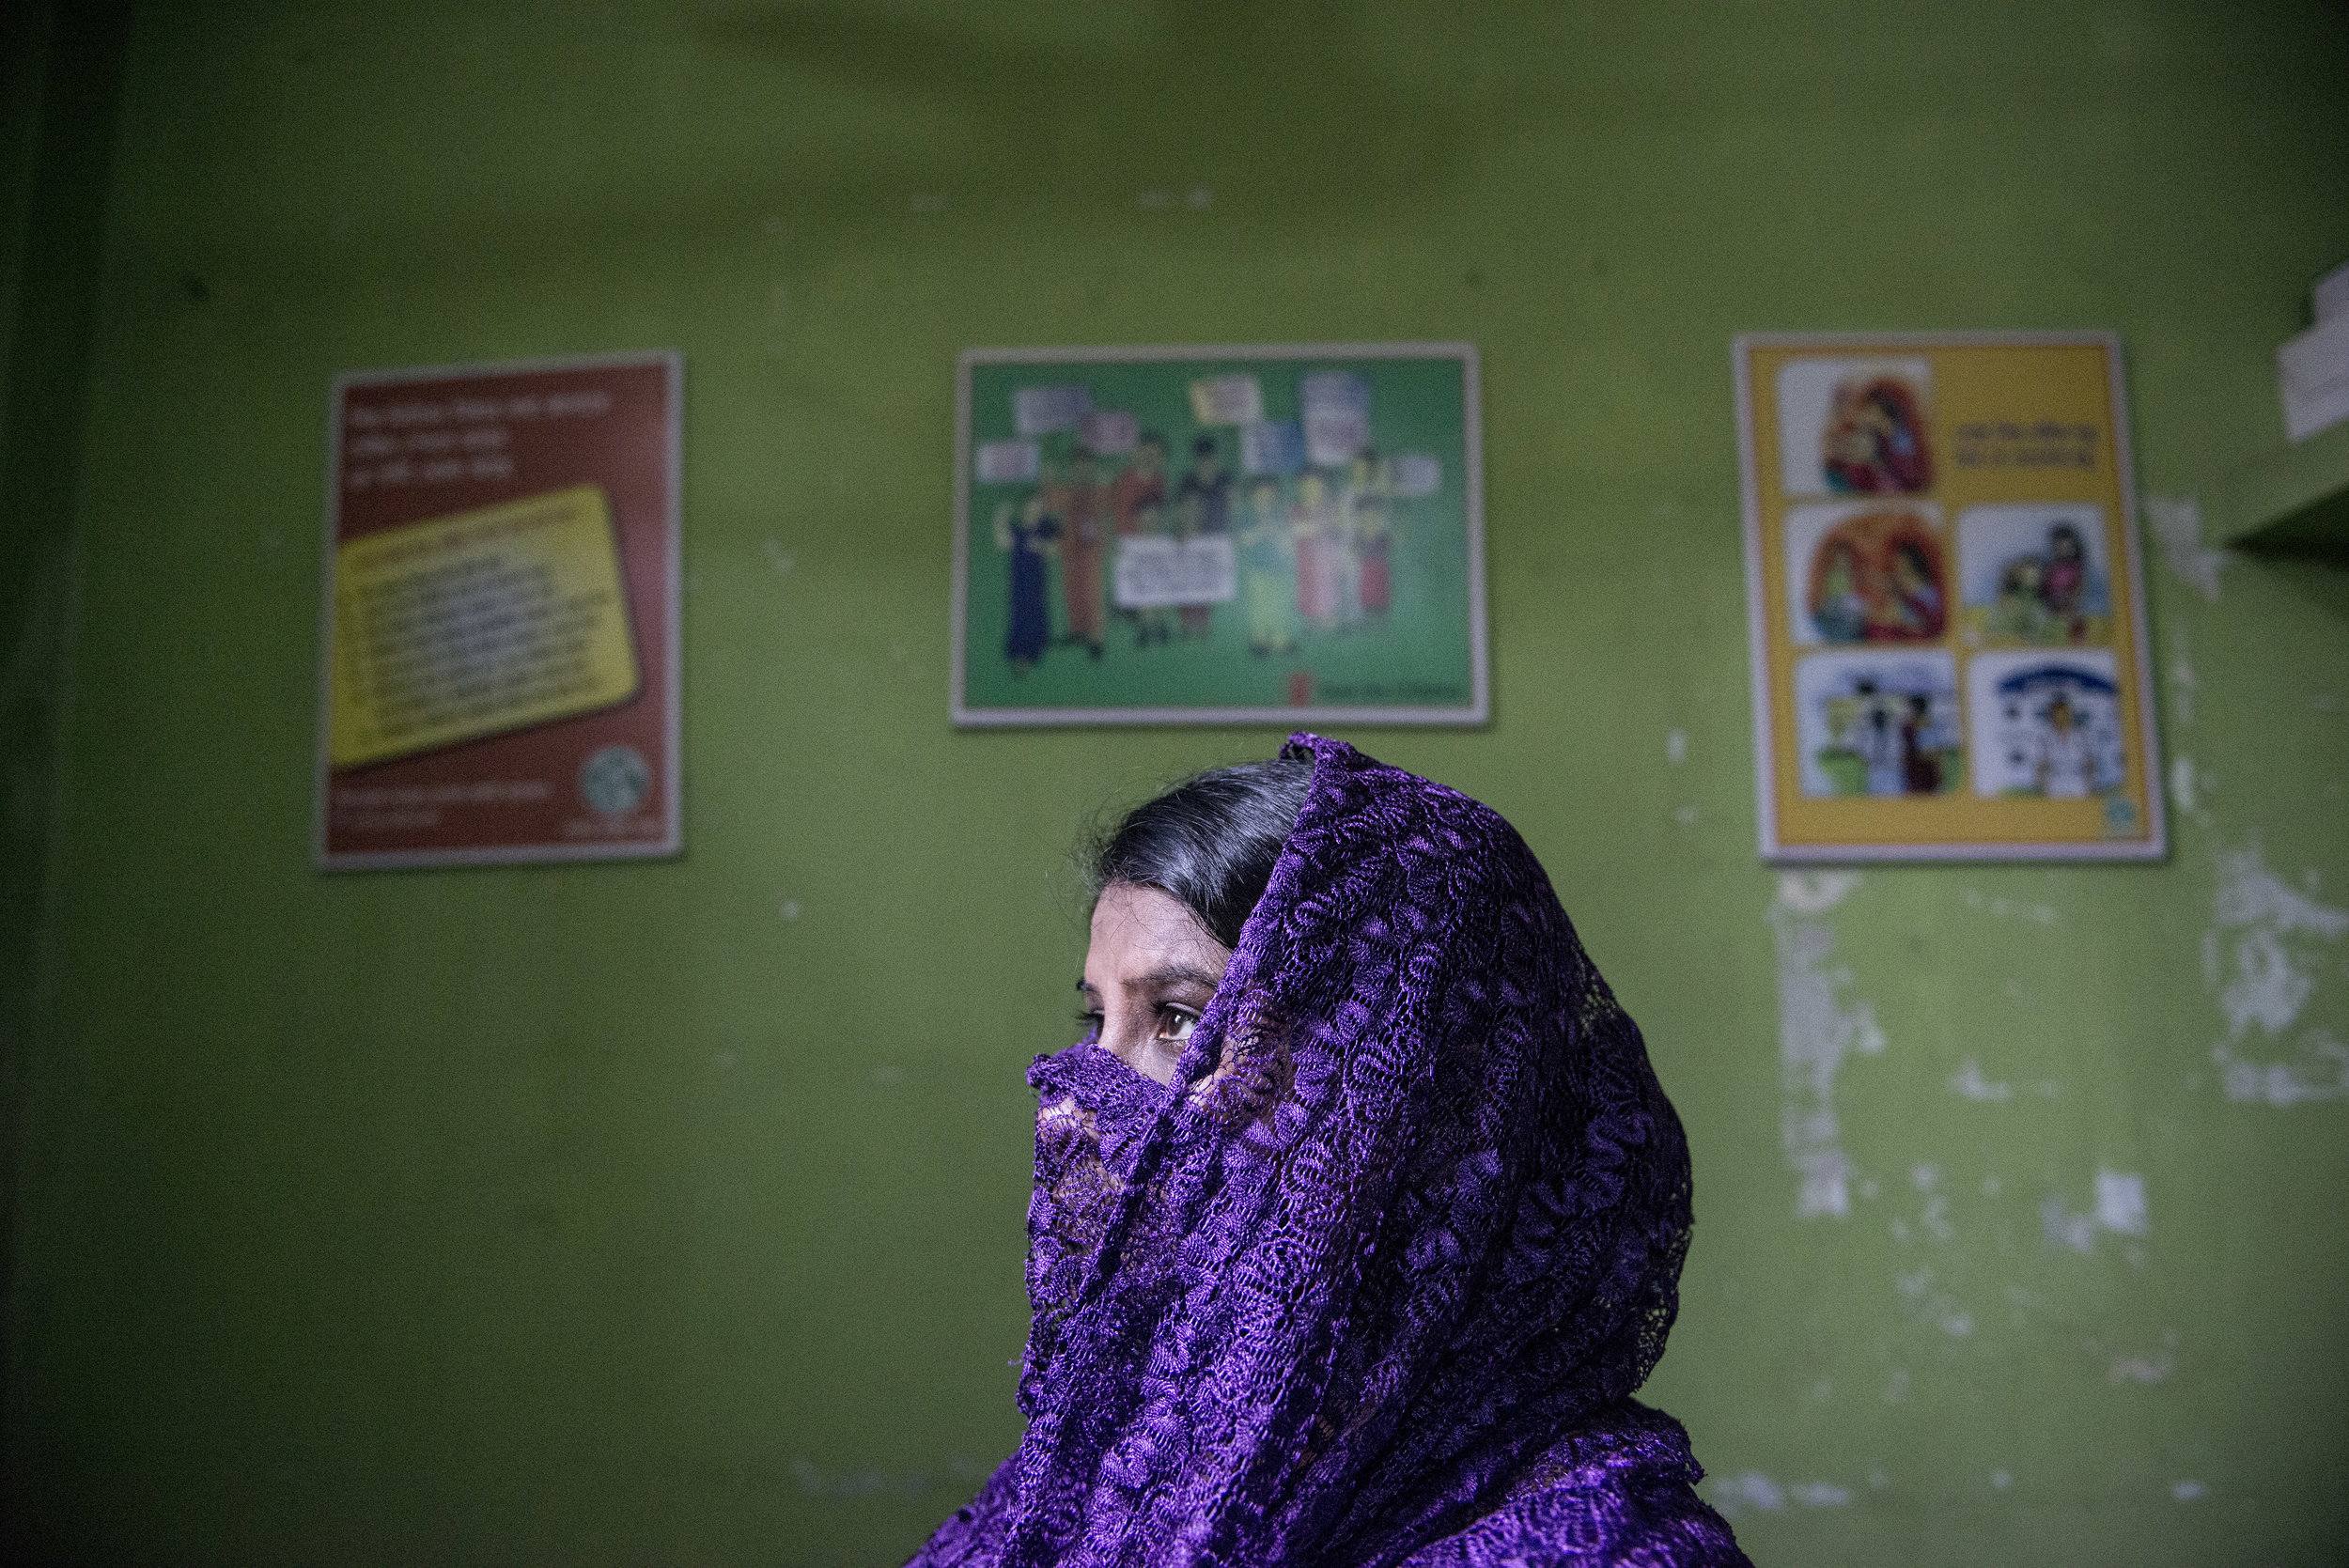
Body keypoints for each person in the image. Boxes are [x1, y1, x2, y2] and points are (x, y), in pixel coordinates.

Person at [909, 737, 1750, 1568]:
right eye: (1097, 1022)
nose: (1076, 1111)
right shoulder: (1118, 1446)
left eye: (1183, 1021)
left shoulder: (1601, 1546)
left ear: (1407, 1089)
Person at [993, 494, 1059, 675]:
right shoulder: (1018, 530)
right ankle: (1027, 642)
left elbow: (1055, 550)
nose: (1034, 512)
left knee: (1037, 615)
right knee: (1020, 617)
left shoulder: (1045, 528)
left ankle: (1037, 639)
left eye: (1038, 508)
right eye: (1031, 508)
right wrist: (1001, 516)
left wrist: (1042, 546)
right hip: (1019, 583)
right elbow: (1002, 541)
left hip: (1037, 583)